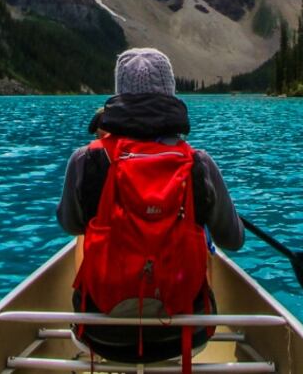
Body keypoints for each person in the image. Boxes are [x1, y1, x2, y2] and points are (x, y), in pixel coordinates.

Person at [57, 48, 244, 364]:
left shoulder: (85, 160)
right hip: (187, 336)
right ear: (170, 92)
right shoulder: (198, 164)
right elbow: (234, 240)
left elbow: (69, 224)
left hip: (101, 337)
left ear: (119, 94)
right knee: (203, 236)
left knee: (84, 233)